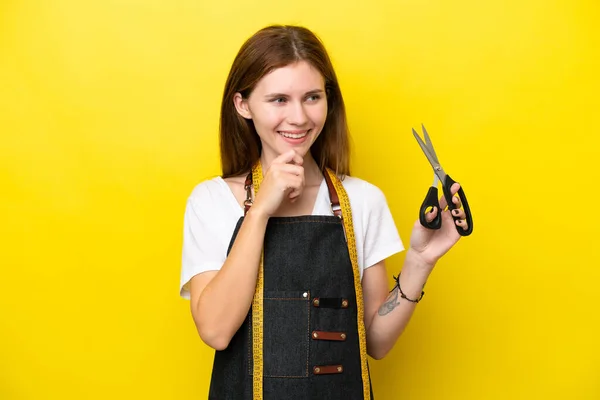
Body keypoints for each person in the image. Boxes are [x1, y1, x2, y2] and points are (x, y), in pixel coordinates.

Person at [179, 24, 468, 400]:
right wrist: (260, 210)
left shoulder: (362, 200)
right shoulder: (210, 201)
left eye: (312, 97)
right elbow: (216, 331)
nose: (299, 117)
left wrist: (420, 260)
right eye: (279, 99)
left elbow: (375, 342)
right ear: (243, 105)